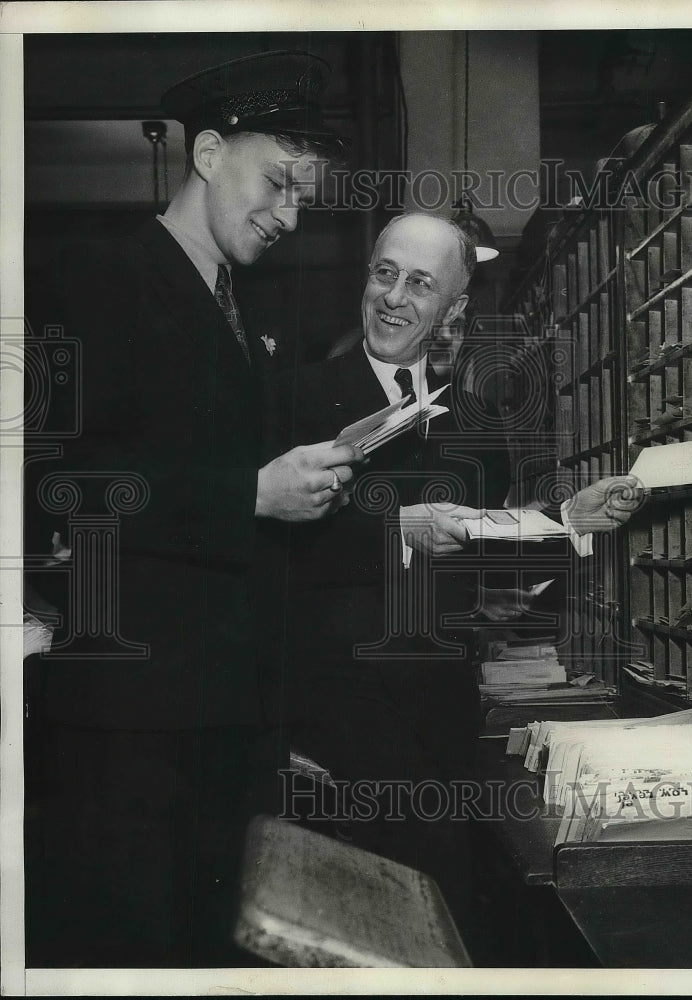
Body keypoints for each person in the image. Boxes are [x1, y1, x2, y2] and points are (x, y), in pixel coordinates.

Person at [23, 50, 365, 968]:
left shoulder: (237, 309)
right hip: (128, 731)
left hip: (213, 722)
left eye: (305, 199)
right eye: (278, 185)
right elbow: (51, 486)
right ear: (208, 152)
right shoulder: (94, 281)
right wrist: (251, 493)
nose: (289, 216)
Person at [275, 212, 642, 937]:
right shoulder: (291, 400)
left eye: (420, 283)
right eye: (385, 274)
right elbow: (268, 549)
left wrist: (569, 520)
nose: (394, 298)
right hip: (327, 710)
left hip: (441, 707)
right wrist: (397, 528)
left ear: (454, 310)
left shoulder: (472, 422)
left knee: (451, 898)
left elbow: (476, 547)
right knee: (386, 914)